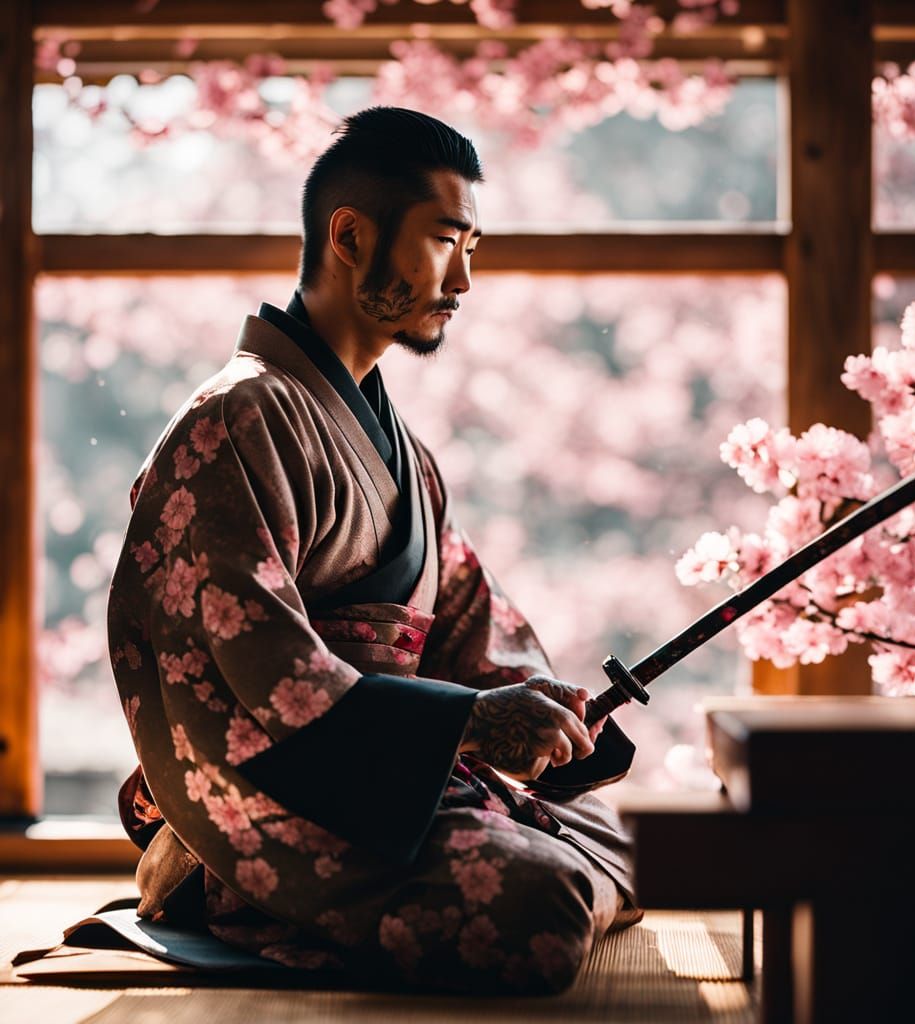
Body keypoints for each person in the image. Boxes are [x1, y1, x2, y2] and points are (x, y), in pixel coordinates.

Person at [108, 106, 640, 995]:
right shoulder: (235, 418)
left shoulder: (410, 457)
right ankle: (206, 873)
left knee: (614, 841)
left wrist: (543, 709)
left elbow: (469, 626)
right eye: (445, 241)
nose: (463, 280)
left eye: (473, 247)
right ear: (351, 236)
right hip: (287, 785)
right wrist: (464, 724)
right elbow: (259, 666)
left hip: (397, 769)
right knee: (539, 907)